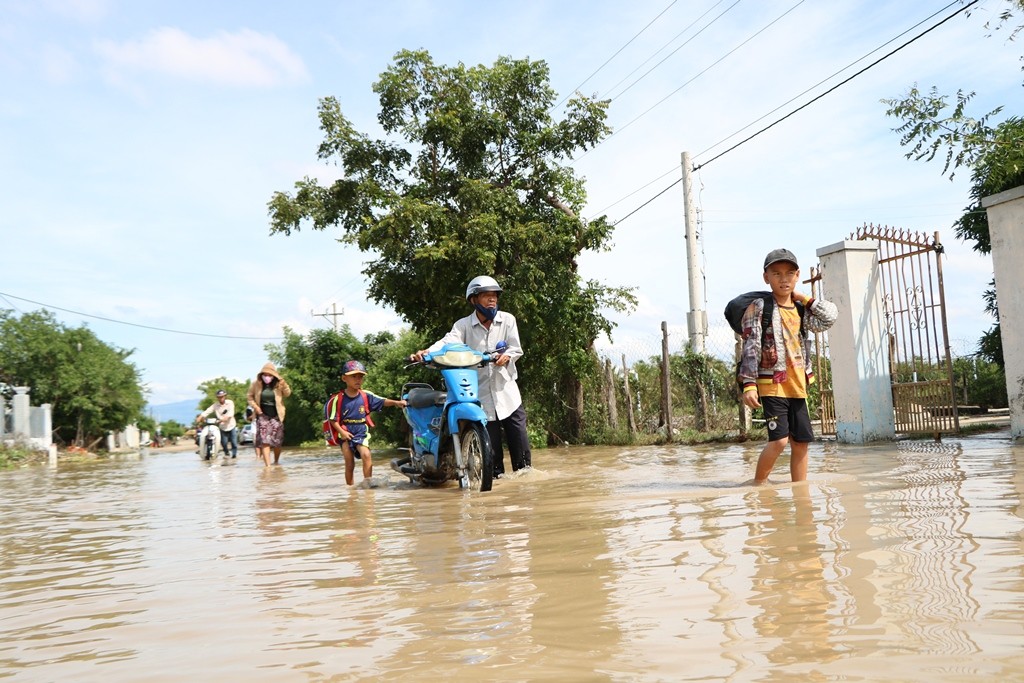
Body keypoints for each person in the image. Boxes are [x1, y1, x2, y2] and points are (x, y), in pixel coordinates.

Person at [410, 275, 531, 478]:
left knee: (523, 457)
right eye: (486, 296)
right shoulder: (463, 325)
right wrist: (426, 353)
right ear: (474, 299)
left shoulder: (507, 320)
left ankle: (525, 491)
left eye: (495, 296)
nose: (492, 300)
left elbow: (515, 348)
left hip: (507, 393)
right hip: (480, 396)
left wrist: (507, 356)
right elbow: (448, 341)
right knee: (492, 460)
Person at [739, 248, 838, 484]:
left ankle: (800, 491)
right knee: (779, 440)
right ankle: (758, 486)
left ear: (797, 276)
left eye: (789, 274)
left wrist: (803, 297)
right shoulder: (760, 307)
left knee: (801, 442)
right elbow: (751, 346)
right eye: (777, 274)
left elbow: (830, 317)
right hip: (771, 383)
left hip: (798, 384)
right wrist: (749, 384)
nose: (784, 279)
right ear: (766, 277)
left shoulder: (801, 309)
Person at [327, 360, 407, 486]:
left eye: (360, 377)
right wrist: (342, 432)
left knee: (366, 454)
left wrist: (397, 402)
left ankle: (368, 484)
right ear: (344, 378)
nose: (358, 380)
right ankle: (350, 490)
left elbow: (382, 401)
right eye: (354, 376)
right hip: (345, 431)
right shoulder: (338, 398)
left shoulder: (365, 395)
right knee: (349, 462)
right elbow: (333, 419)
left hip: (361, 430)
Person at [246, 362, 291, 466]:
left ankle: (276, 461)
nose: (267, 377)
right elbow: (249, 396)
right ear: (261, 375)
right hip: (262, 414)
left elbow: (287, 394)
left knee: (277, 442)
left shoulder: (279, 384)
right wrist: (256, 407)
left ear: (273, 376)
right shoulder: (255, 384)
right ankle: (268, 466)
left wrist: (284, 385)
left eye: (269, 375)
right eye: (265, 375)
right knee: (265, 440)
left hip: (277, 415)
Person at [196, 389, 238, 458]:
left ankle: (234, 455)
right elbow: (208, 411)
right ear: (217, 397)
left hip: (231, 425)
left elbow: (231, 414)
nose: (221, 398)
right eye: (219, 397)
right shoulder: (215, 405)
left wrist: (223, 419)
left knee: (234, 443)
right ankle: (226, 453)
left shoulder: (230, 403)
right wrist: (200, 417)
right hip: (222, 427)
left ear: (225, 396)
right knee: (224, 443)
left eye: (222, 396)